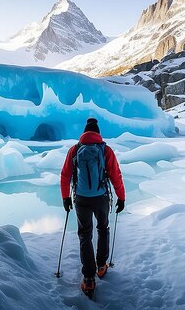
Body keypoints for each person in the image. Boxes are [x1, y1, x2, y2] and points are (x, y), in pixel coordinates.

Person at [60, 117, 125, 298]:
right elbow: (115, 175)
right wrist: (121, 197)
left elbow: (65, 175)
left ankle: (88, 278)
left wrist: (66, 197)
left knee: (84, 234)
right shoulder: (105, 150)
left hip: (81, 198)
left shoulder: (75, 149)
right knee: (103, 228)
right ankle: (102, 265)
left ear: (84, 132)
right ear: (98, 133)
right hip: (101, 197)